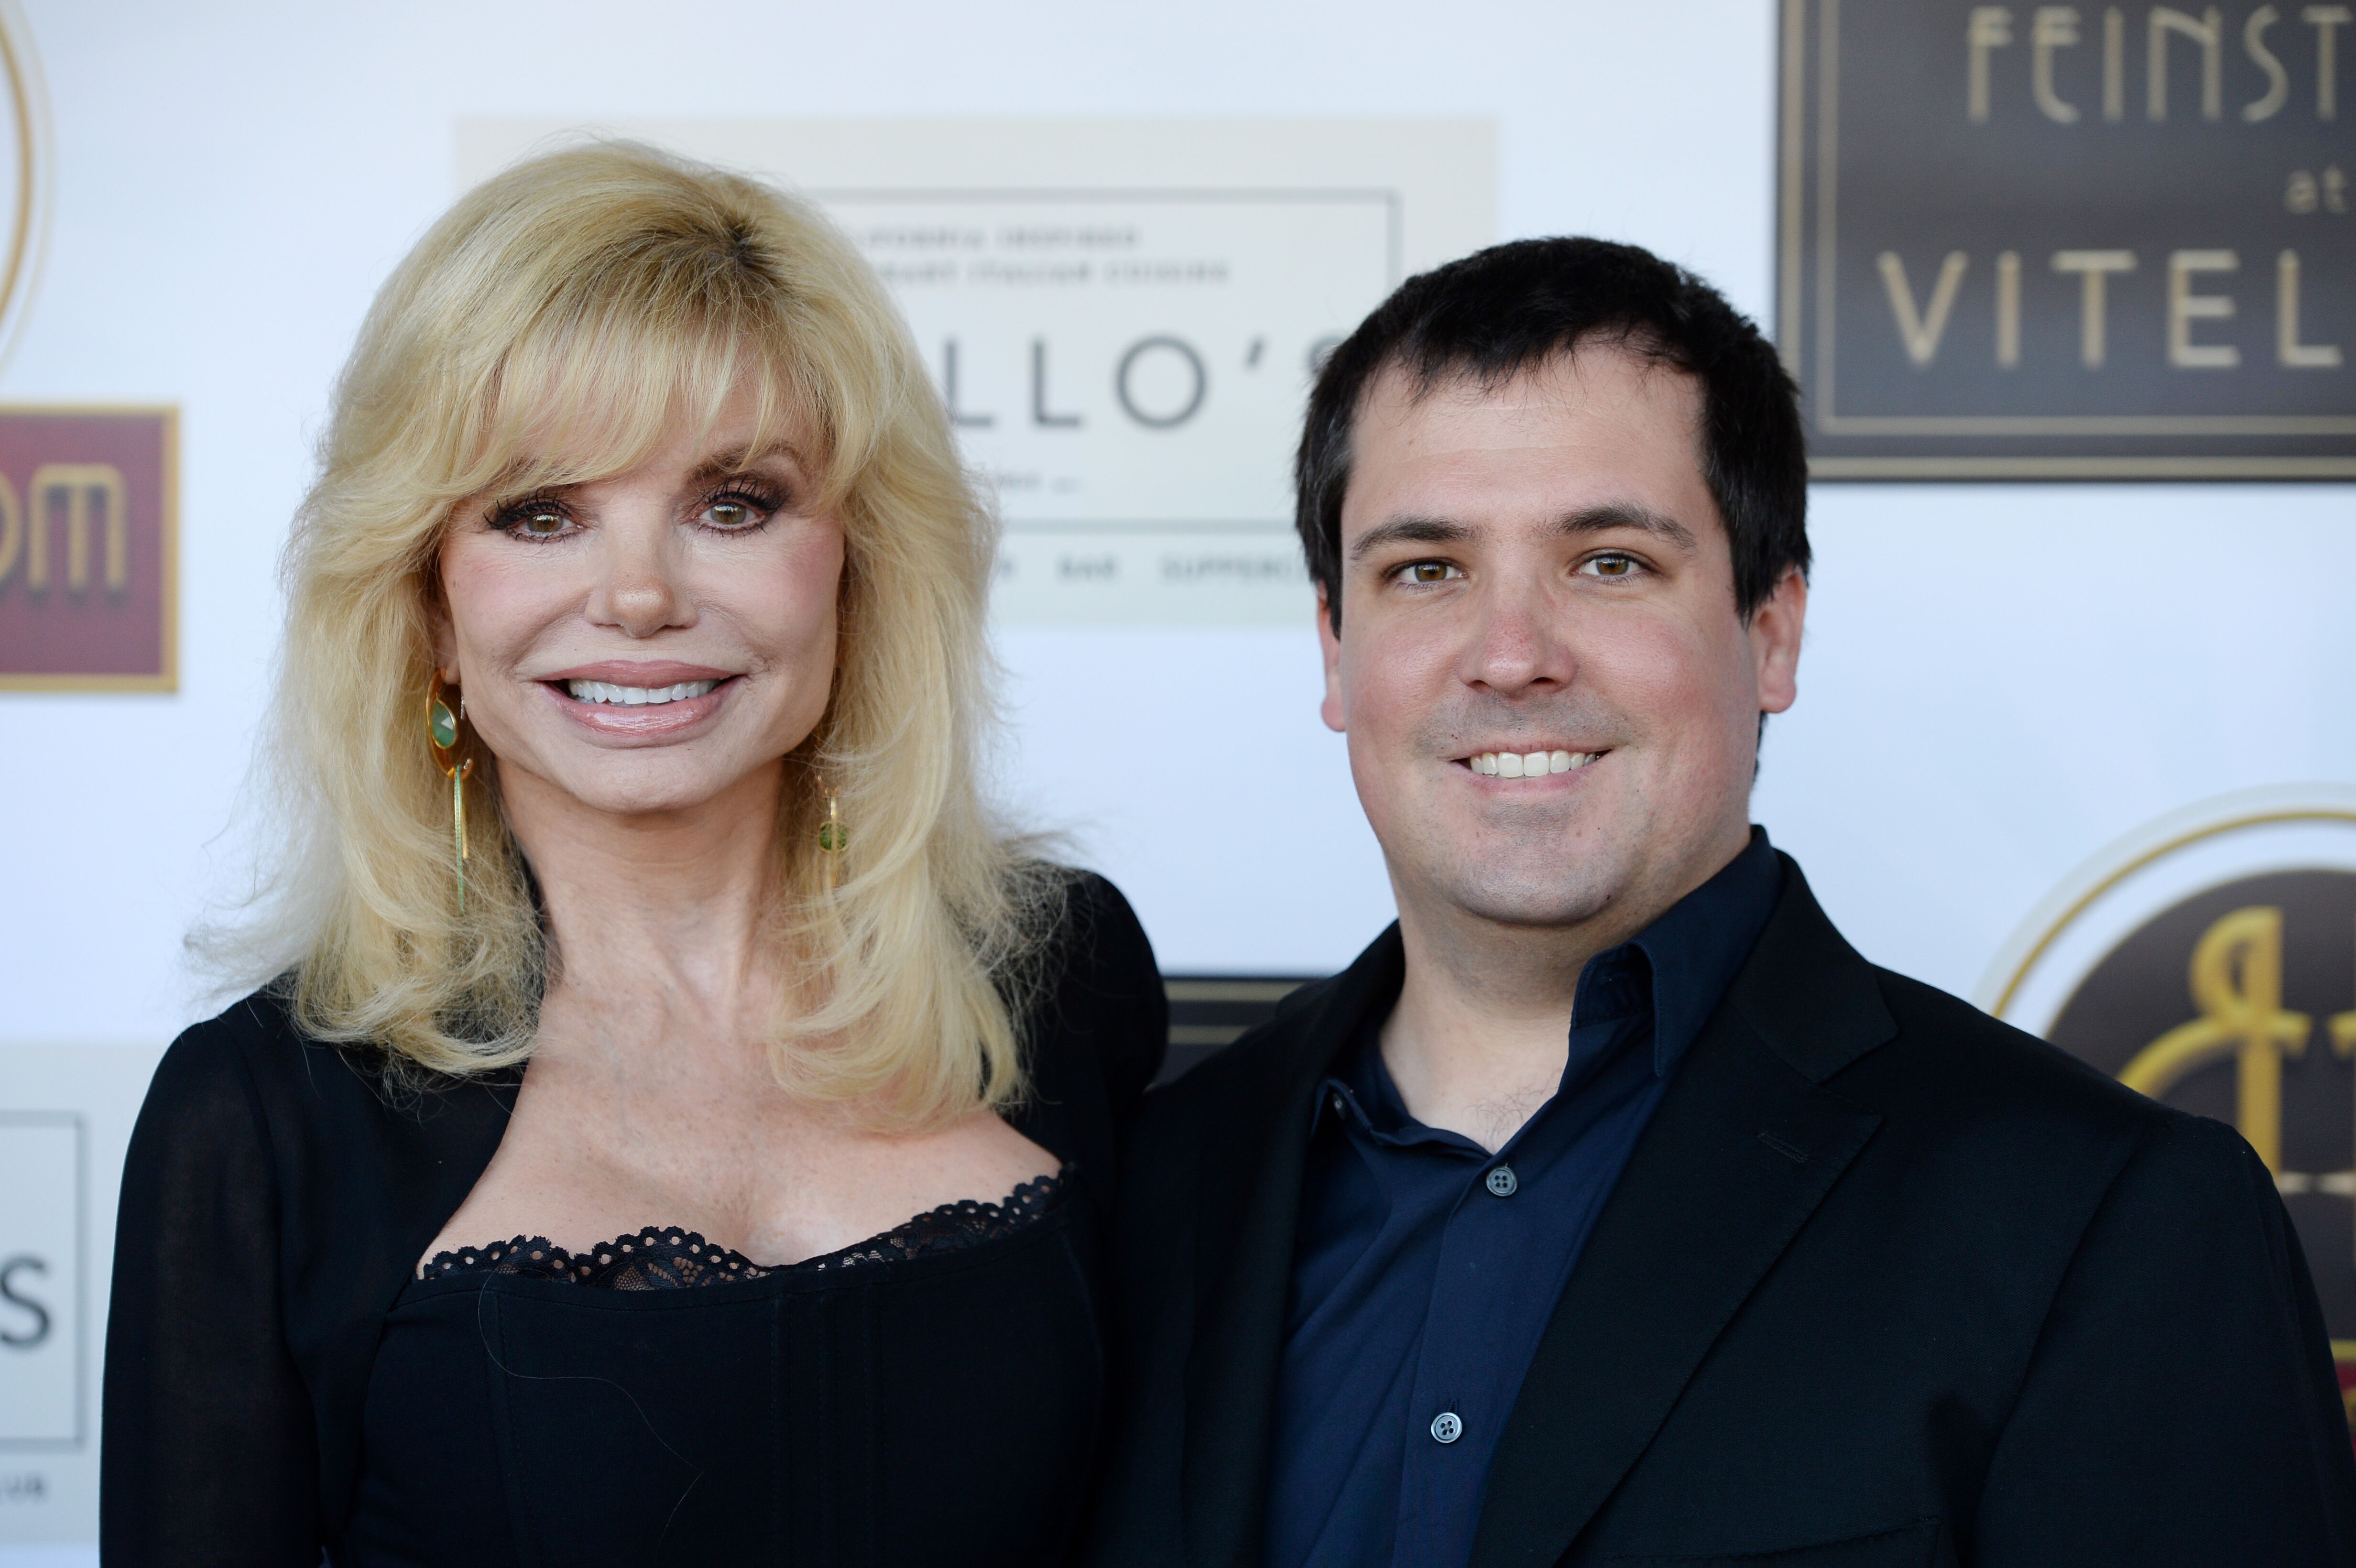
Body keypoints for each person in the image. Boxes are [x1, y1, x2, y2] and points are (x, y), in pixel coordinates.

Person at [1084, 238, 2356, 1568]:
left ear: (1772, 630)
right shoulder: (1150, 1195)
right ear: (1337, 650)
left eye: (1611, 562)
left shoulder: (2105, 1224)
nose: (1511, 654)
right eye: (1427, 571)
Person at [102, 142, 1165, 1566]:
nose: (642, 594)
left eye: (735, 504)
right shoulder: (264, 1122)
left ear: (857, 562)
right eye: (540, 513)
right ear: (426, 605)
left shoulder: (1063, 975)